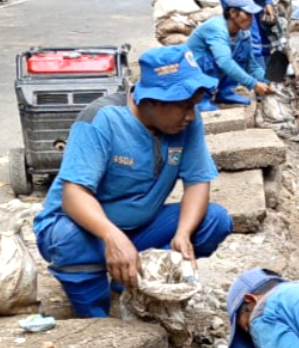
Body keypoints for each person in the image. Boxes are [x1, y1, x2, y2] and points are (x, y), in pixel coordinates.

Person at [33, 45, 233, 317]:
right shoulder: (102, 120)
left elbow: (197, 181)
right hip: (82, 228)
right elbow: (74, 195)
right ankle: (96, 314)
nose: (190, 115)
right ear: (150, 100)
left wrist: (183, 234)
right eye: (183, 106)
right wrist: (112, 236)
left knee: (213, 221)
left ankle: (126, 283)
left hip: (138, 227)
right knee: (69, 240)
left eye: (193, 106)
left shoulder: (187, 121)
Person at [186, 0, 275, 110]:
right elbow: (225, 62)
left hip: (218, 66)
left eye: (252, 15)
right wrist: (253, 84)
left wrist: (269, 81)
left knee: (241, 52)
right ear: (233, 12)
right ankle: (201, 98)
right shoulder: (216, 29)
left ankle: (226, 92)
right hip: (195, 71)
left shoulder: (243, 34)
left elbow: (252, 65)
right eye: (247, 14)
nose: (252, 19)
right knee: (215, 59)